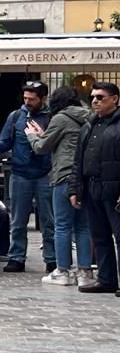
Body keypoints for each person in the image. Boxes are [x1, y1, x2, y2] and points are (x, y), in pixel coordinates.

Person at [27, 85, 93, 287]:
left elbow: (41, 147)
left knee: (62, 225)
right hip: (85, 177)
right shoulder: (90, 117)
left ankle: (63, 271)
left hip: (64, 175)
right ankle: (85, 272)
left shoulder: (60, 118)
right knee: (83, 226)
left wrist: (32, 135)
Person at [0, 81, 54, 274]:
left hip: (46, 173)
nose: (27, 102)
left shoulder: (52, 117)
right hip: (20, 173)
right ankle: (17, 257)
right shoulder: (16, 116)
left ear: (43, 98)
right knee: (18, 220)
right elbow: (4, 143)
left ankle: (52, 258)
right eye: (25, 98)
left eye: (32, 99)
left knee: (49, 220)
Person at [74, 82, 120, 294]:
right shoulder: (89, 125)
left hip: (114, 189)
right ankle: (106, 279)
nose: (95, 101)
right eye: (92, 97)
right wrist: (75, 189)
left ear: (115, 99)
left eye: (100, 97)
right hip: (92, 187)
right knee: (99, 236)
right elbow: (79, 160)